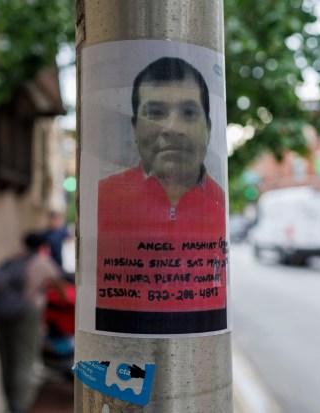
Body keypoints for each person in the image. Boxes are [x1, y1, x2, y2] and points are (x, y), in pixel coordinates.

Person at [95, 57, 227, 335]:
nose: (172, 128)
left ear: (209, 128)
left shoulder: (221, 204)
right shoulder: (101, 198)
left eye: (189, 113)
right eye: (155, 112)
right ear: (134, 129)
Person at [0, 231, 64, 413]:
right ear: (42, 246)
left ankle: (9, 403)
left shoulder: (12, 258)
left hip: (1, 314)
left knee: (6, 360)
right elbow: (61, 289)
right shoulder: (42, 262)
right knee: (23, 360)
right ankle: (19, 406)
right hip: (26, 314)